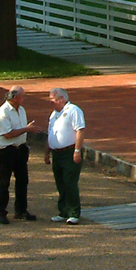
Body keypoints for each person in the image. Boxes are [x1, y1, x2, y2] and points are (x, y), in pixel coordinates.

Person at [0, 86, 38, 224]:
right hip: (7, 151)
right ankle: (1, 212)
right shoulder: (3, 113)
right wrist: (27, 129)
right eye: (23, 96)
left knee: (22, 181)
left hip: (20, 149)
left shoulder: (21, 110)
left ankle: (21, 210)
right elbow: (7, 134)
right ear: (15, 98)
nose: (25, 98)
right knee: (4, 182)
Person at [43, 88, 86, 225]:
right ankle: (63, 211)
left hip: (69, 151)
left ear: (61, 99)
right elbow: (50, 133)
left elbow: (80, 130)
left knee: (70, 182)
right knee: (60, 182)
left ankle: (74, 212)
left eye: (52, 99)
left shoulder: (74, 110)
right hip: (57, 152)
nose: (50, 102)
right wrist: (47, 152)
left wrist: (77, 150)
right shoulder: (54, 114)